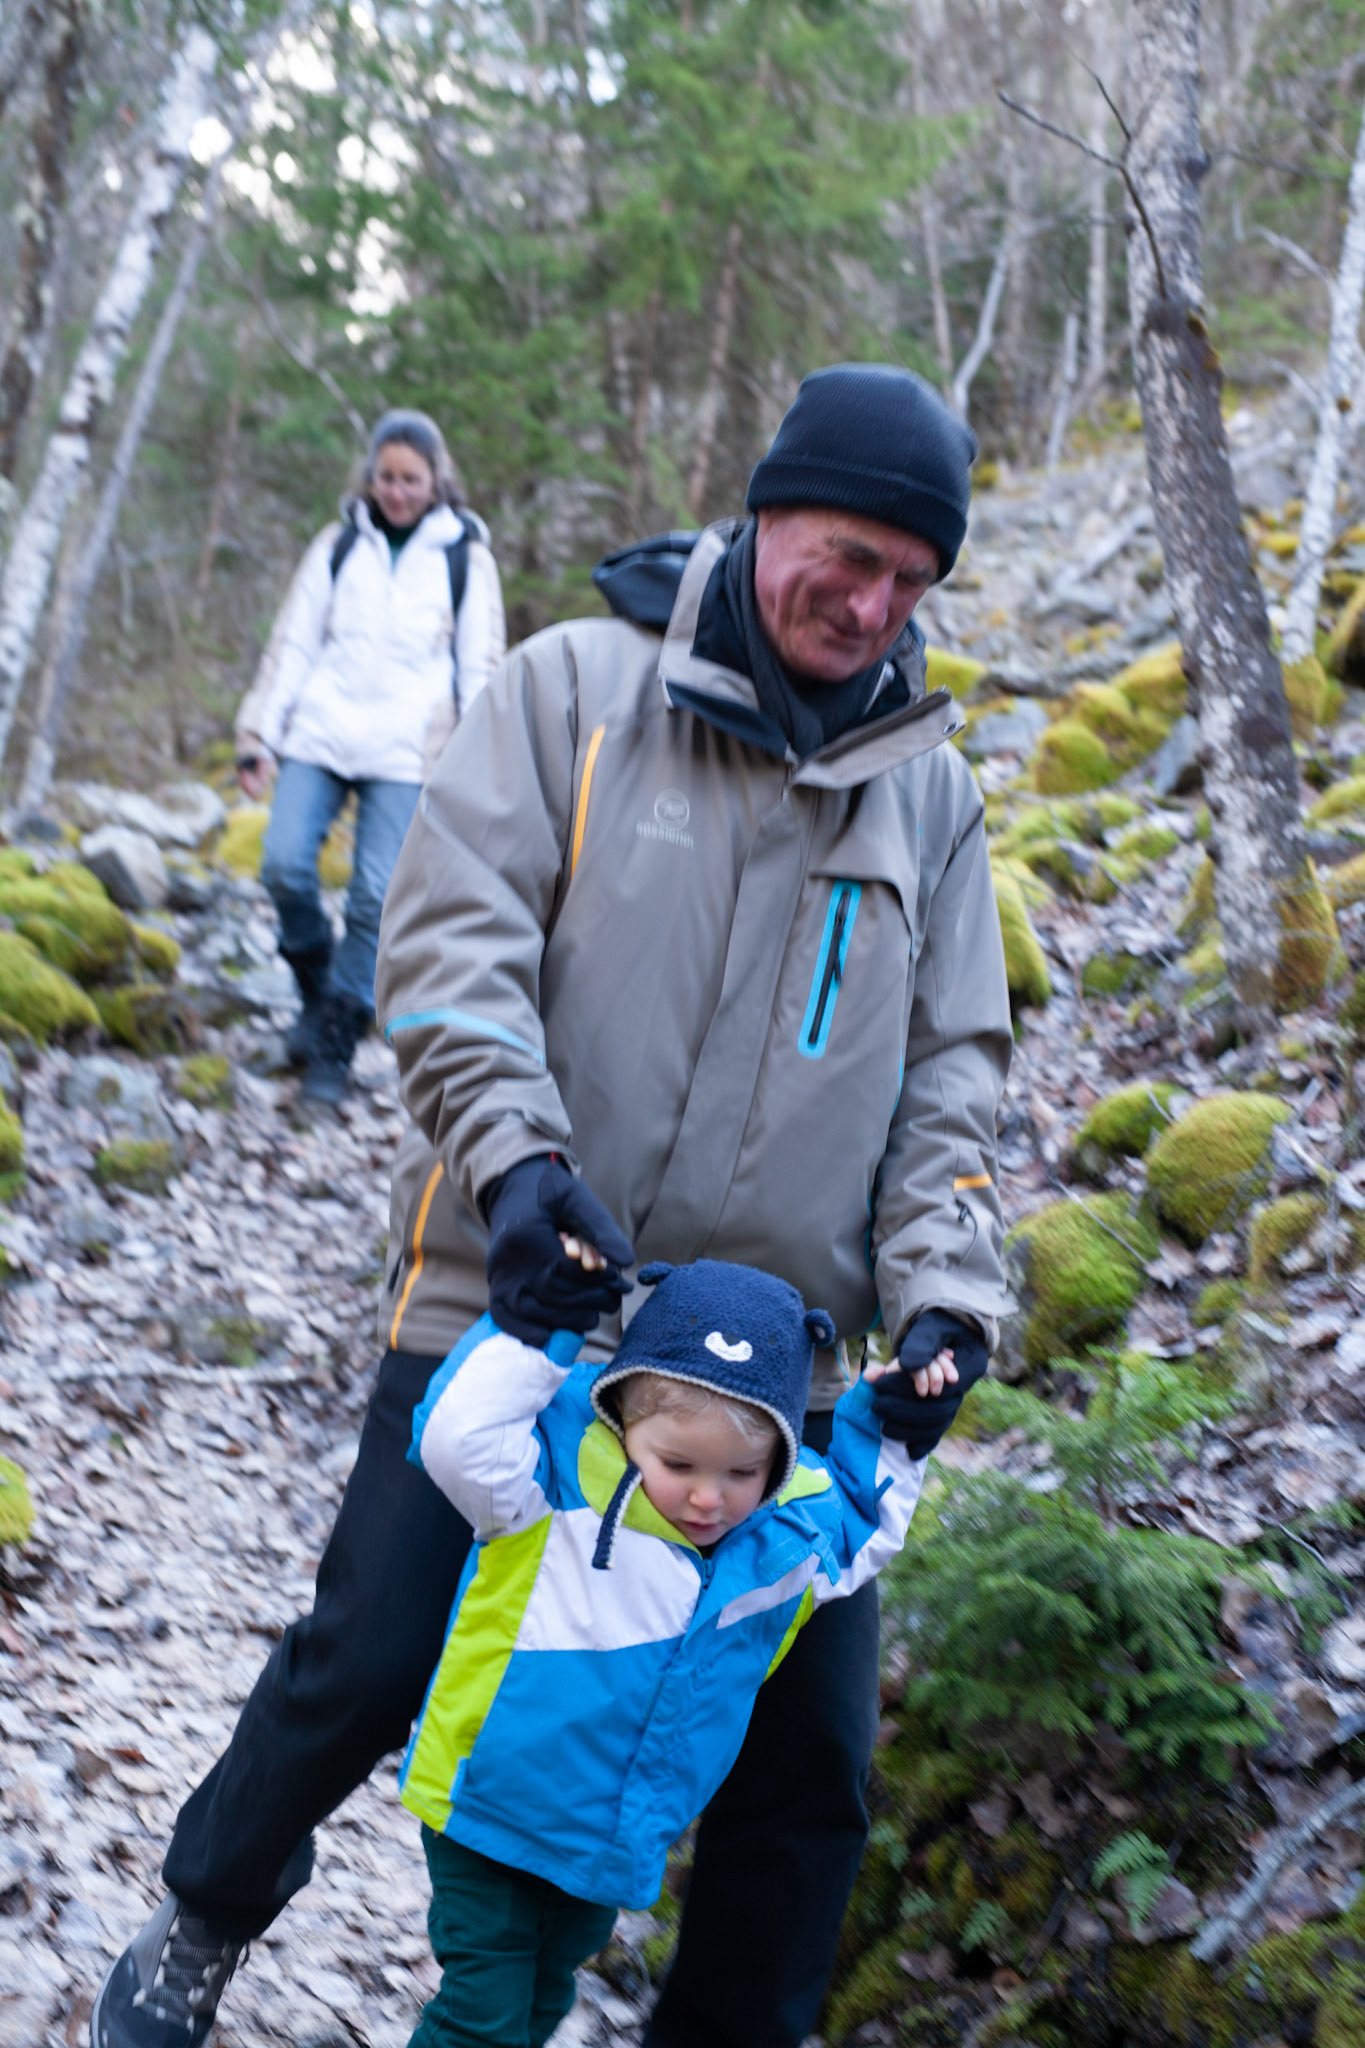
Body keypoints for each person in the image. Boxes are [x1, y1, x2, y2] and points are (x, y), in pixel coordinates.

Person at [91, 363, 1012, 2048]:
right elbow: (448, 956)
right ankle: (204, 1907)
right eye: (845, 550)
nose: (868, 600)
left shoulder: (934, 801)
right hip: (519, 1300)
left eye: (909, 577)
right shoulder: (573, 692)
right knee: (369, 1660)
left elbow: (956, 1070)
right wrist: (516, 1163)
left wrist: (950, 1295)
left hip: (773, 1385)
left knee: (808, 1765)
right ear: (764, 511)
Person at [399, 1256, 941, 2048]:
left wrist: (892, 1425)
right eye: (678, 1464)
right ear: (623, 1421)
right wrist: (536, 1330)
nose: (706, 1496)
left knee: (544, 2000)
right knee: (480, 2016)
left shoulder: (781, 1547)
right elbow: (455, 1437)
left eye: (740, 1473)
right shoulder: (548, 1488)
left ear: (778, 1464)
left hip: (612, 1843)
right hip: (488, 1810)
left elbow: (862, 1517)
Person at [232, 409, 506, 1106]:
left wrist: (480, 764)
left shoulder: (464, 556)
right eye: (385, 476)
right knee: (285, 866)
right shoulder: (337, 544)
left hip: (405, 750)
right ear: (370, 474)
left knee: (373, 900)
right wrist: (257, 733)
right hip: (320, 732)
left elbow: (478, 665)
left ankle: (333, 1046)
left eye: (411, 479)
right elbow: (294, 642)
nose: (396, 491)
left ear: (437, 478)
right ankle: (318, 994)